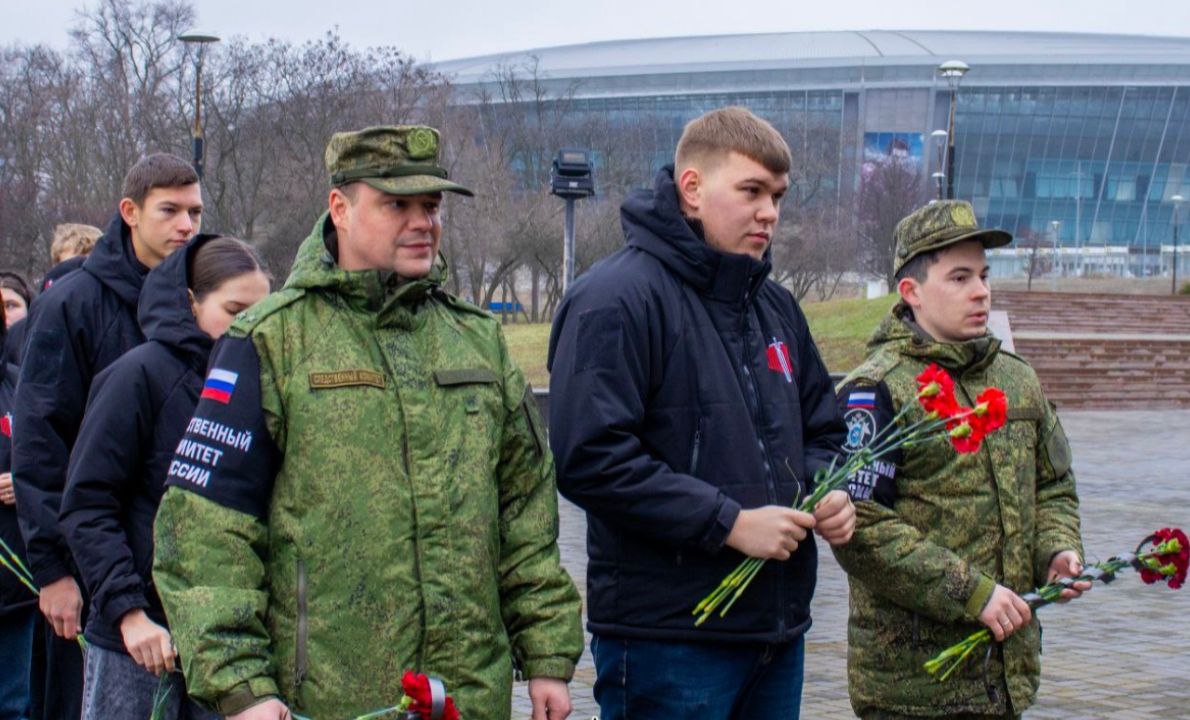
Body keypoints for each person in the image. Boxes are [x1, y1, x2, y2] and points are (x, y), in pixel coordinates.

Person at [152, 125, 583, 720]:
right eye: (395, 204)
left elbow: (525, 512)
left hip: (468, 696)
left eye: (430, 206)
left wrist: (547, 656)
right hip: (331, 698)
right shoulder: (272, 340)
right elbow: (206, 531)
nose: (421, 222)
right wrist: (242, 687)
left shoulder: (477, 339)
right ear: (341, 209)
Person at [547, 106, 854, 720]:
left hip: (775, 632)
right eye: (752, 191)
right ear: (692, 188)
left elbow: (823, 430)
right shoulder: (613, 299)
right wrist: (728, 522)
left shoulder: (775, 308)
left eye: (778, 196)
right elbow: (591, 461)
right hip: (669, 641)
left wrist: (826, 490)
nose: (769, 212)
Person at [831, 200, 1086, 720]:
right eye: (960, 277)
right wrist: (970, 593)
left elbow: (1054, 485)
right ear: (912, 292)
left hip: (1004, 673)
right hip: (915, 686)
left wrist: (1056, 551)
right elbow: (859, 527)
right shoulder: (877, 389)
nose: (981, 291)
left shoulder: (1017, 381)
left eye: (985, 275)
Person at [12, 152, 203, 720]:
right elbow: (41, 437)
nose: (185, 226)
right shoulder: (72, 303)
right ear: (130, 212)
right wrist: (52, 569)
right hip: (93, 565)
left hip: (177, 572)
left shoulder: (201, 299)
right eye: (169, 211)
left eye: (194, 211)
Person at [61, 235, 269, 720]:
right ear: (190, 302)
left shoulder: (263, 387)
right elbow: (87, 504)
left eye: (262, 313)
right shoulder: (136, 375)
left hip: (225, 644)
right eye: (235, 310)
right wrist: (128, 613)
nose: (250, 327)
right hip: (137, 641)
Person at [0, 298, 36, 720]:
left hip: (14, 580)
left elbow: (42, 452)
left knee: (12, 705)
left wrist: (22, 479)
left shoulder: (17, 381)